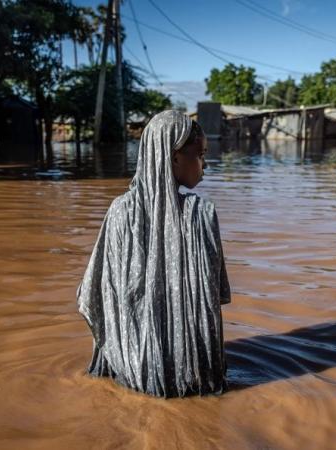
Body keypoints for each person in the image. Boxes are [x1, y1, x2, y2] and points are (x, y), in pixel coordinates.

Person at [76, 110, 231, 398]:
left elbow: (94, 295)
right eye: (200, 155)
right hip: (195, 377)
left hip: (132, 370)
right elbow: (216, 296)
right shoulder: (201, 213)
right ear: (173, 158)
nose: (206, 164)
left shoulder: (119, 212)